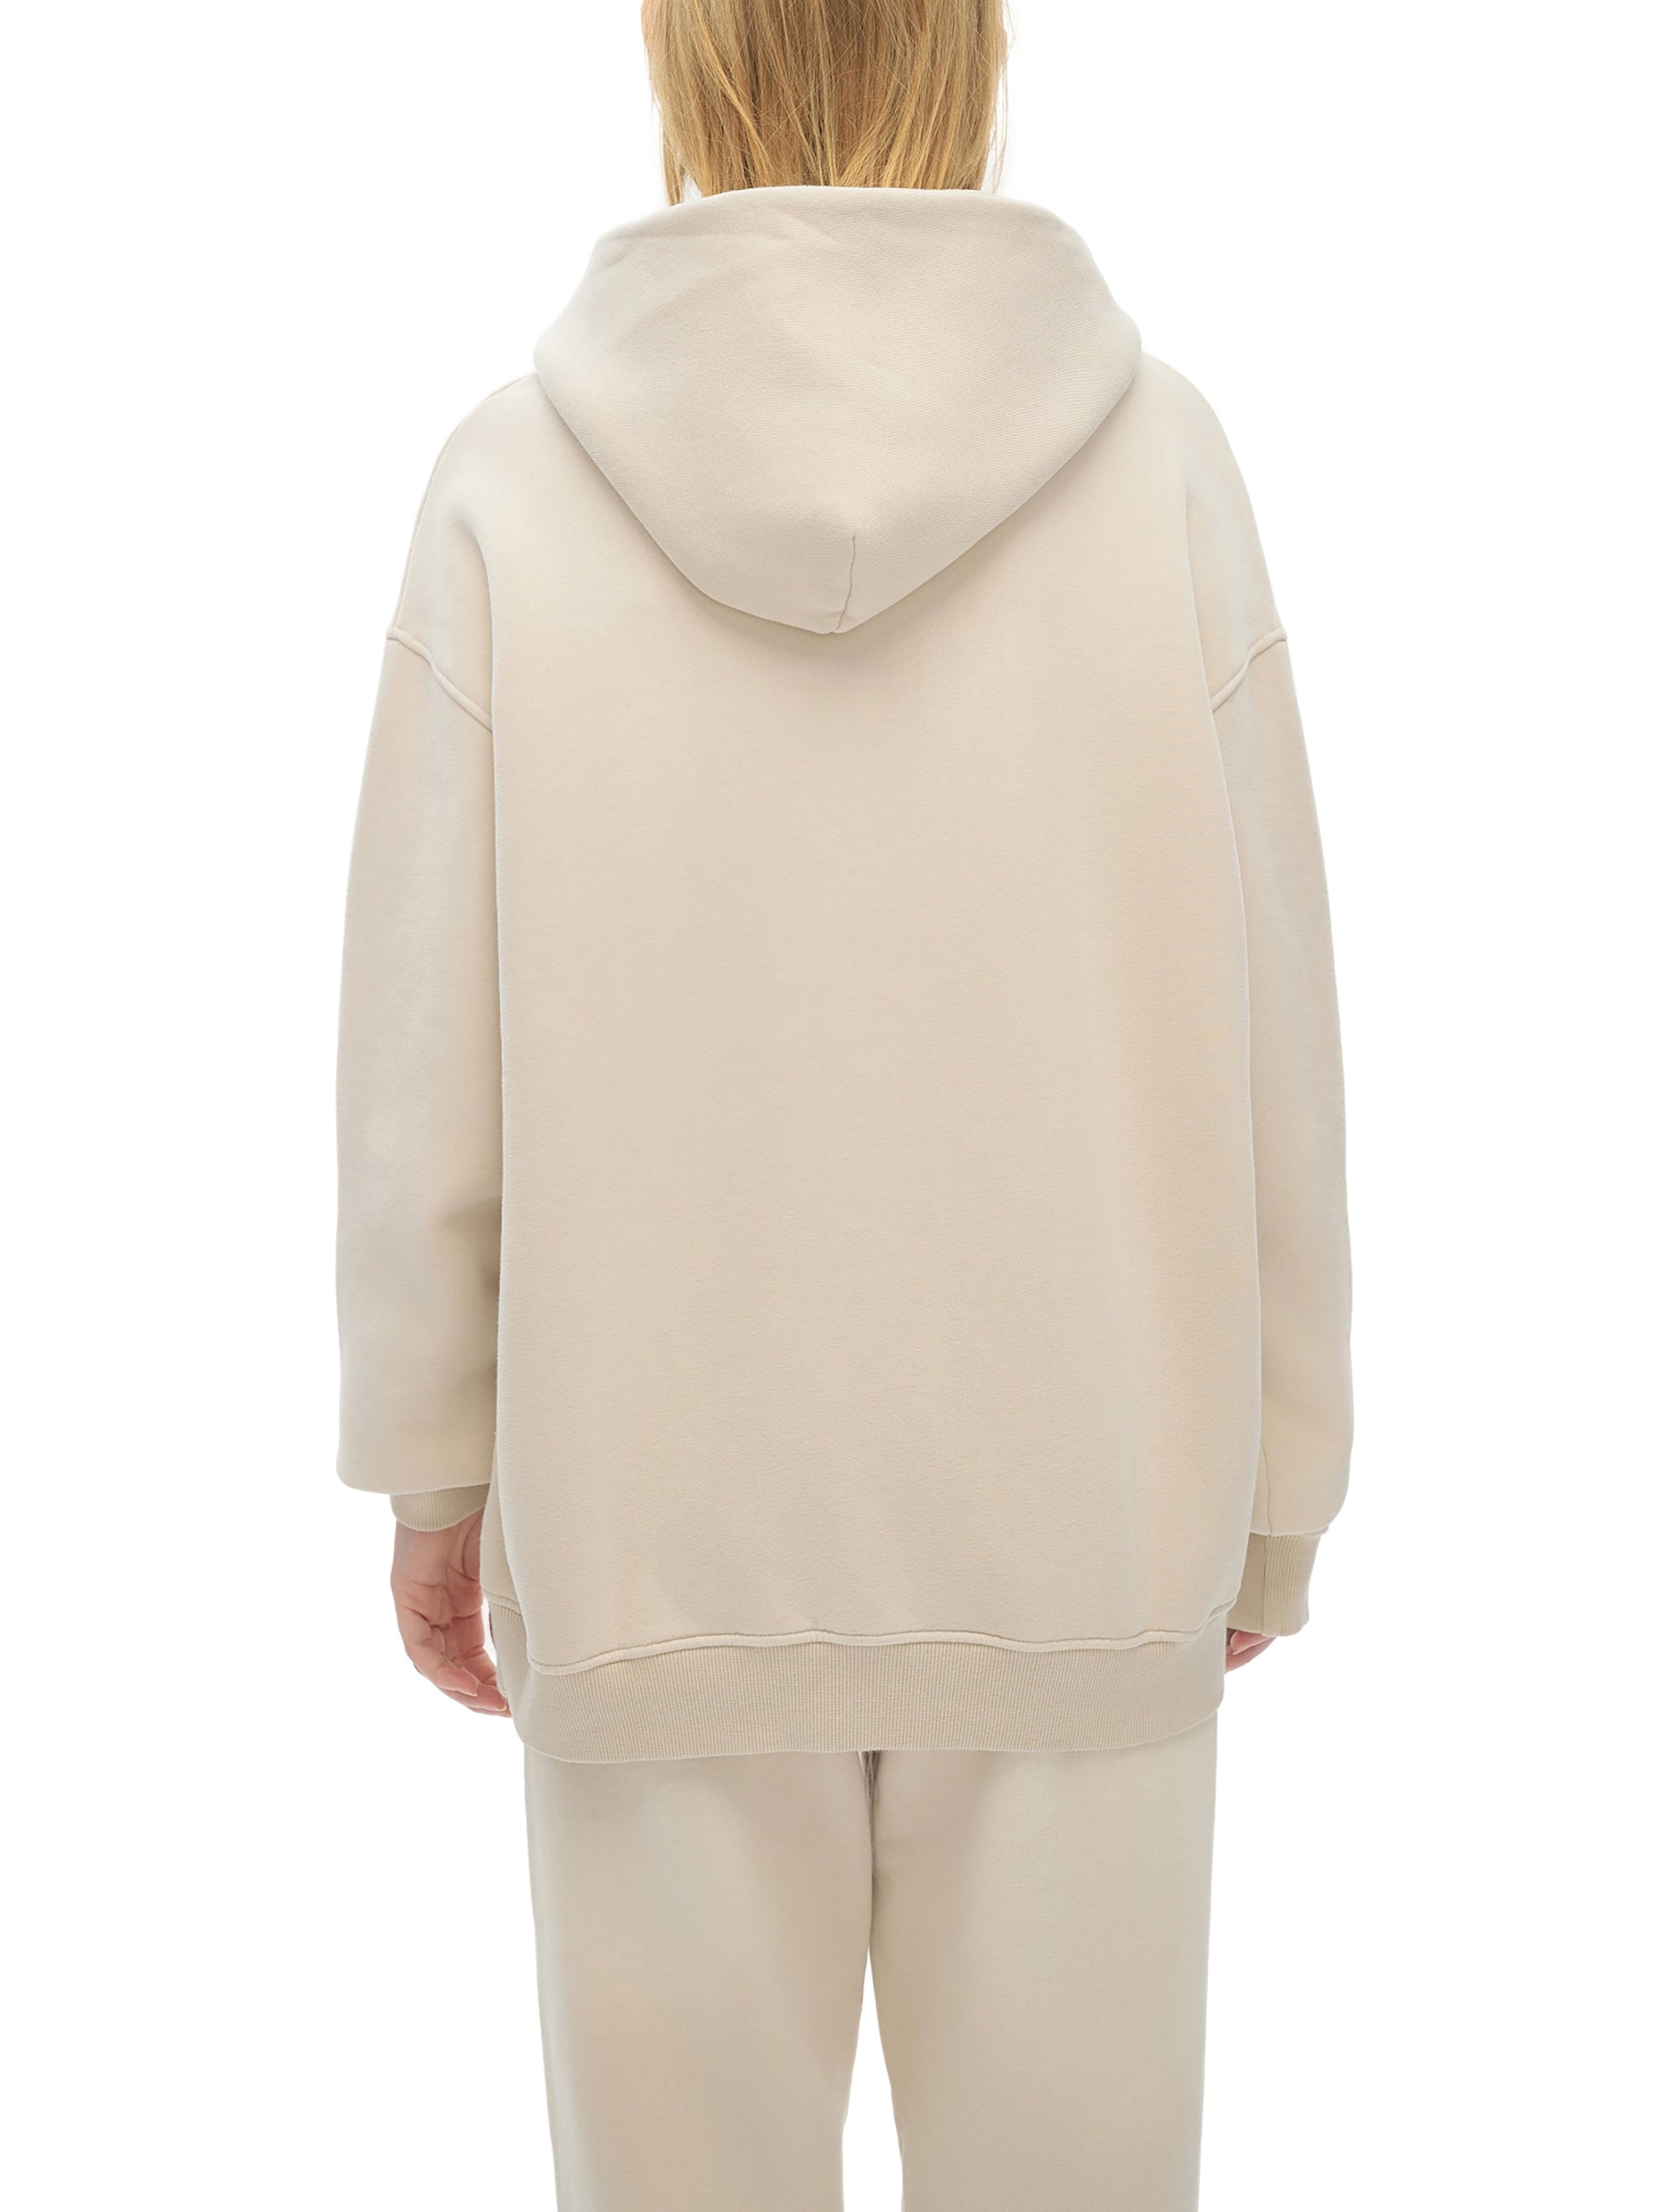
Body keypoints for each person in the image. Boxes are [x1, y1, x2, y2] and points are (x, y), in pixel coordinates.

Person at [337, 2, 1351, 2203]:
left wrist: (433, 1462)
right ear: (969, 51)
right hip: (1084, 1510)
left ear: (682, 55)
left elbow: (427, 1046)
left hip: (650, 1522)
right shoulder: (1163, 466)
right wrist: (1280, 1479)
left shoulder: (509, 481)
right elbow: (1271, 1010)